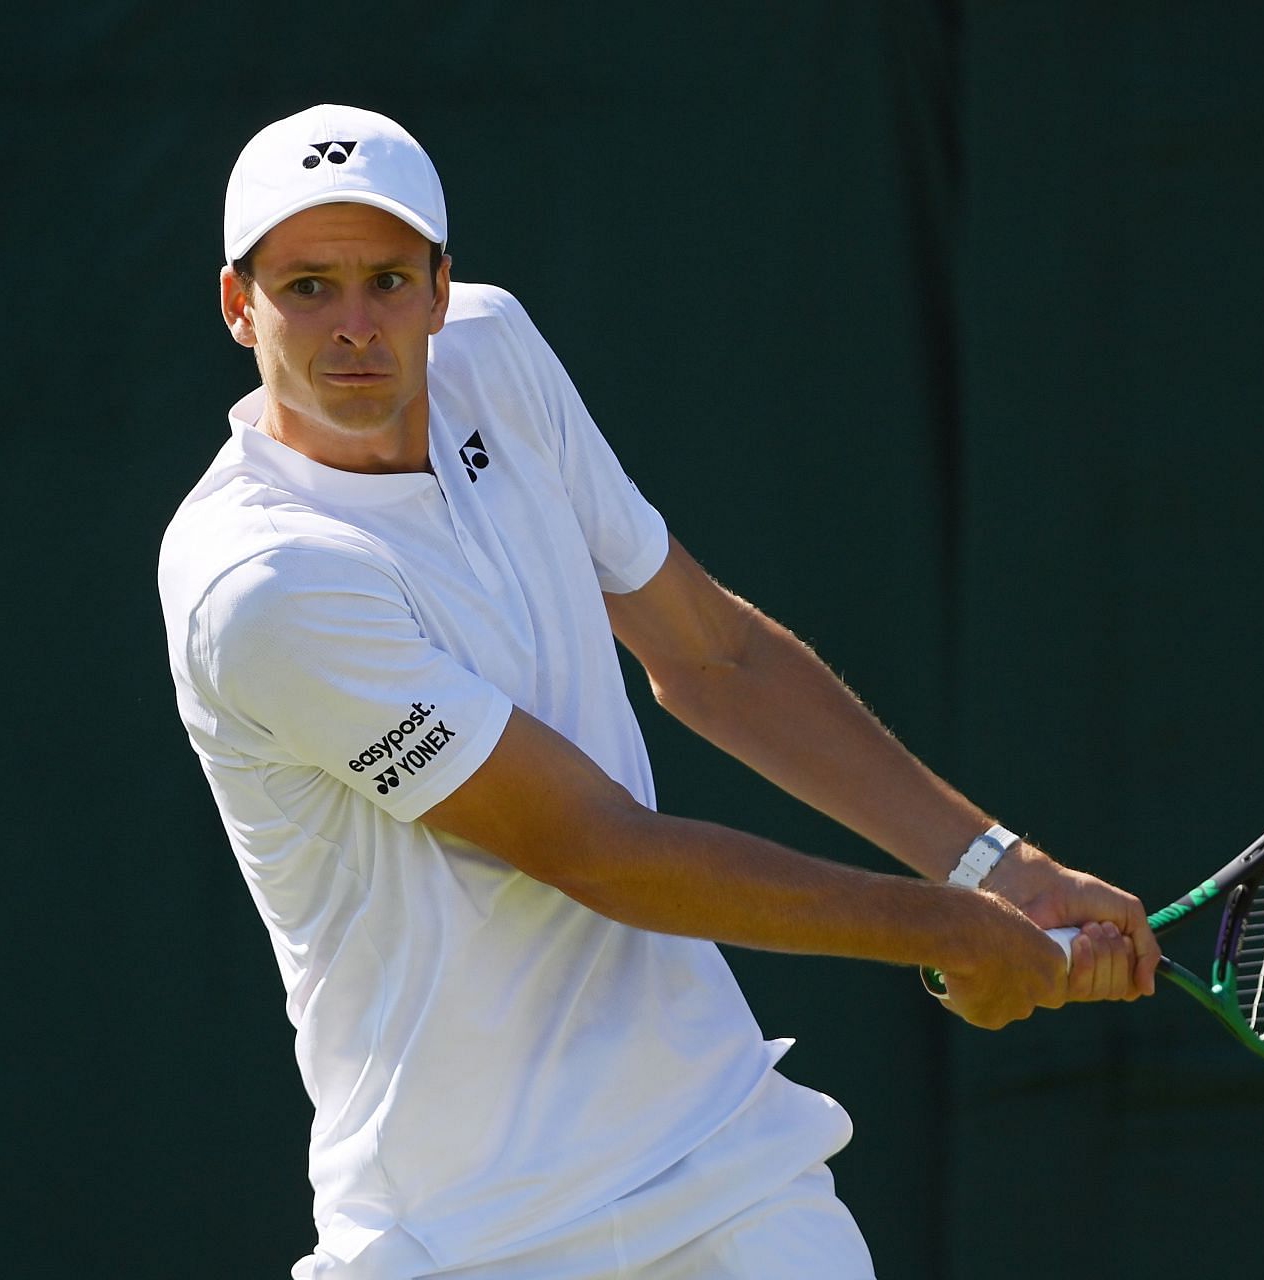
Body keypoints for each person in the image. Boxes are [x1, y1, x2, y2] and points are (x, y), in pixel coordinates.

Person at [158, 103, 1160, 1279]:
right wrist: (943, 927)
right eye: (308, 288)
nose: (356, 326)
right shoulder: (264, 581)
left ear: (441, 287)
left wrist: (995, 867)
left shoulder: (496, 356)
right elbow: (597, 850)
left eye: (387, 278)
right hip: (469, 1233)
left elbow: (711, 655)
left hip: (723, 1162)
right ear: (240, 306)